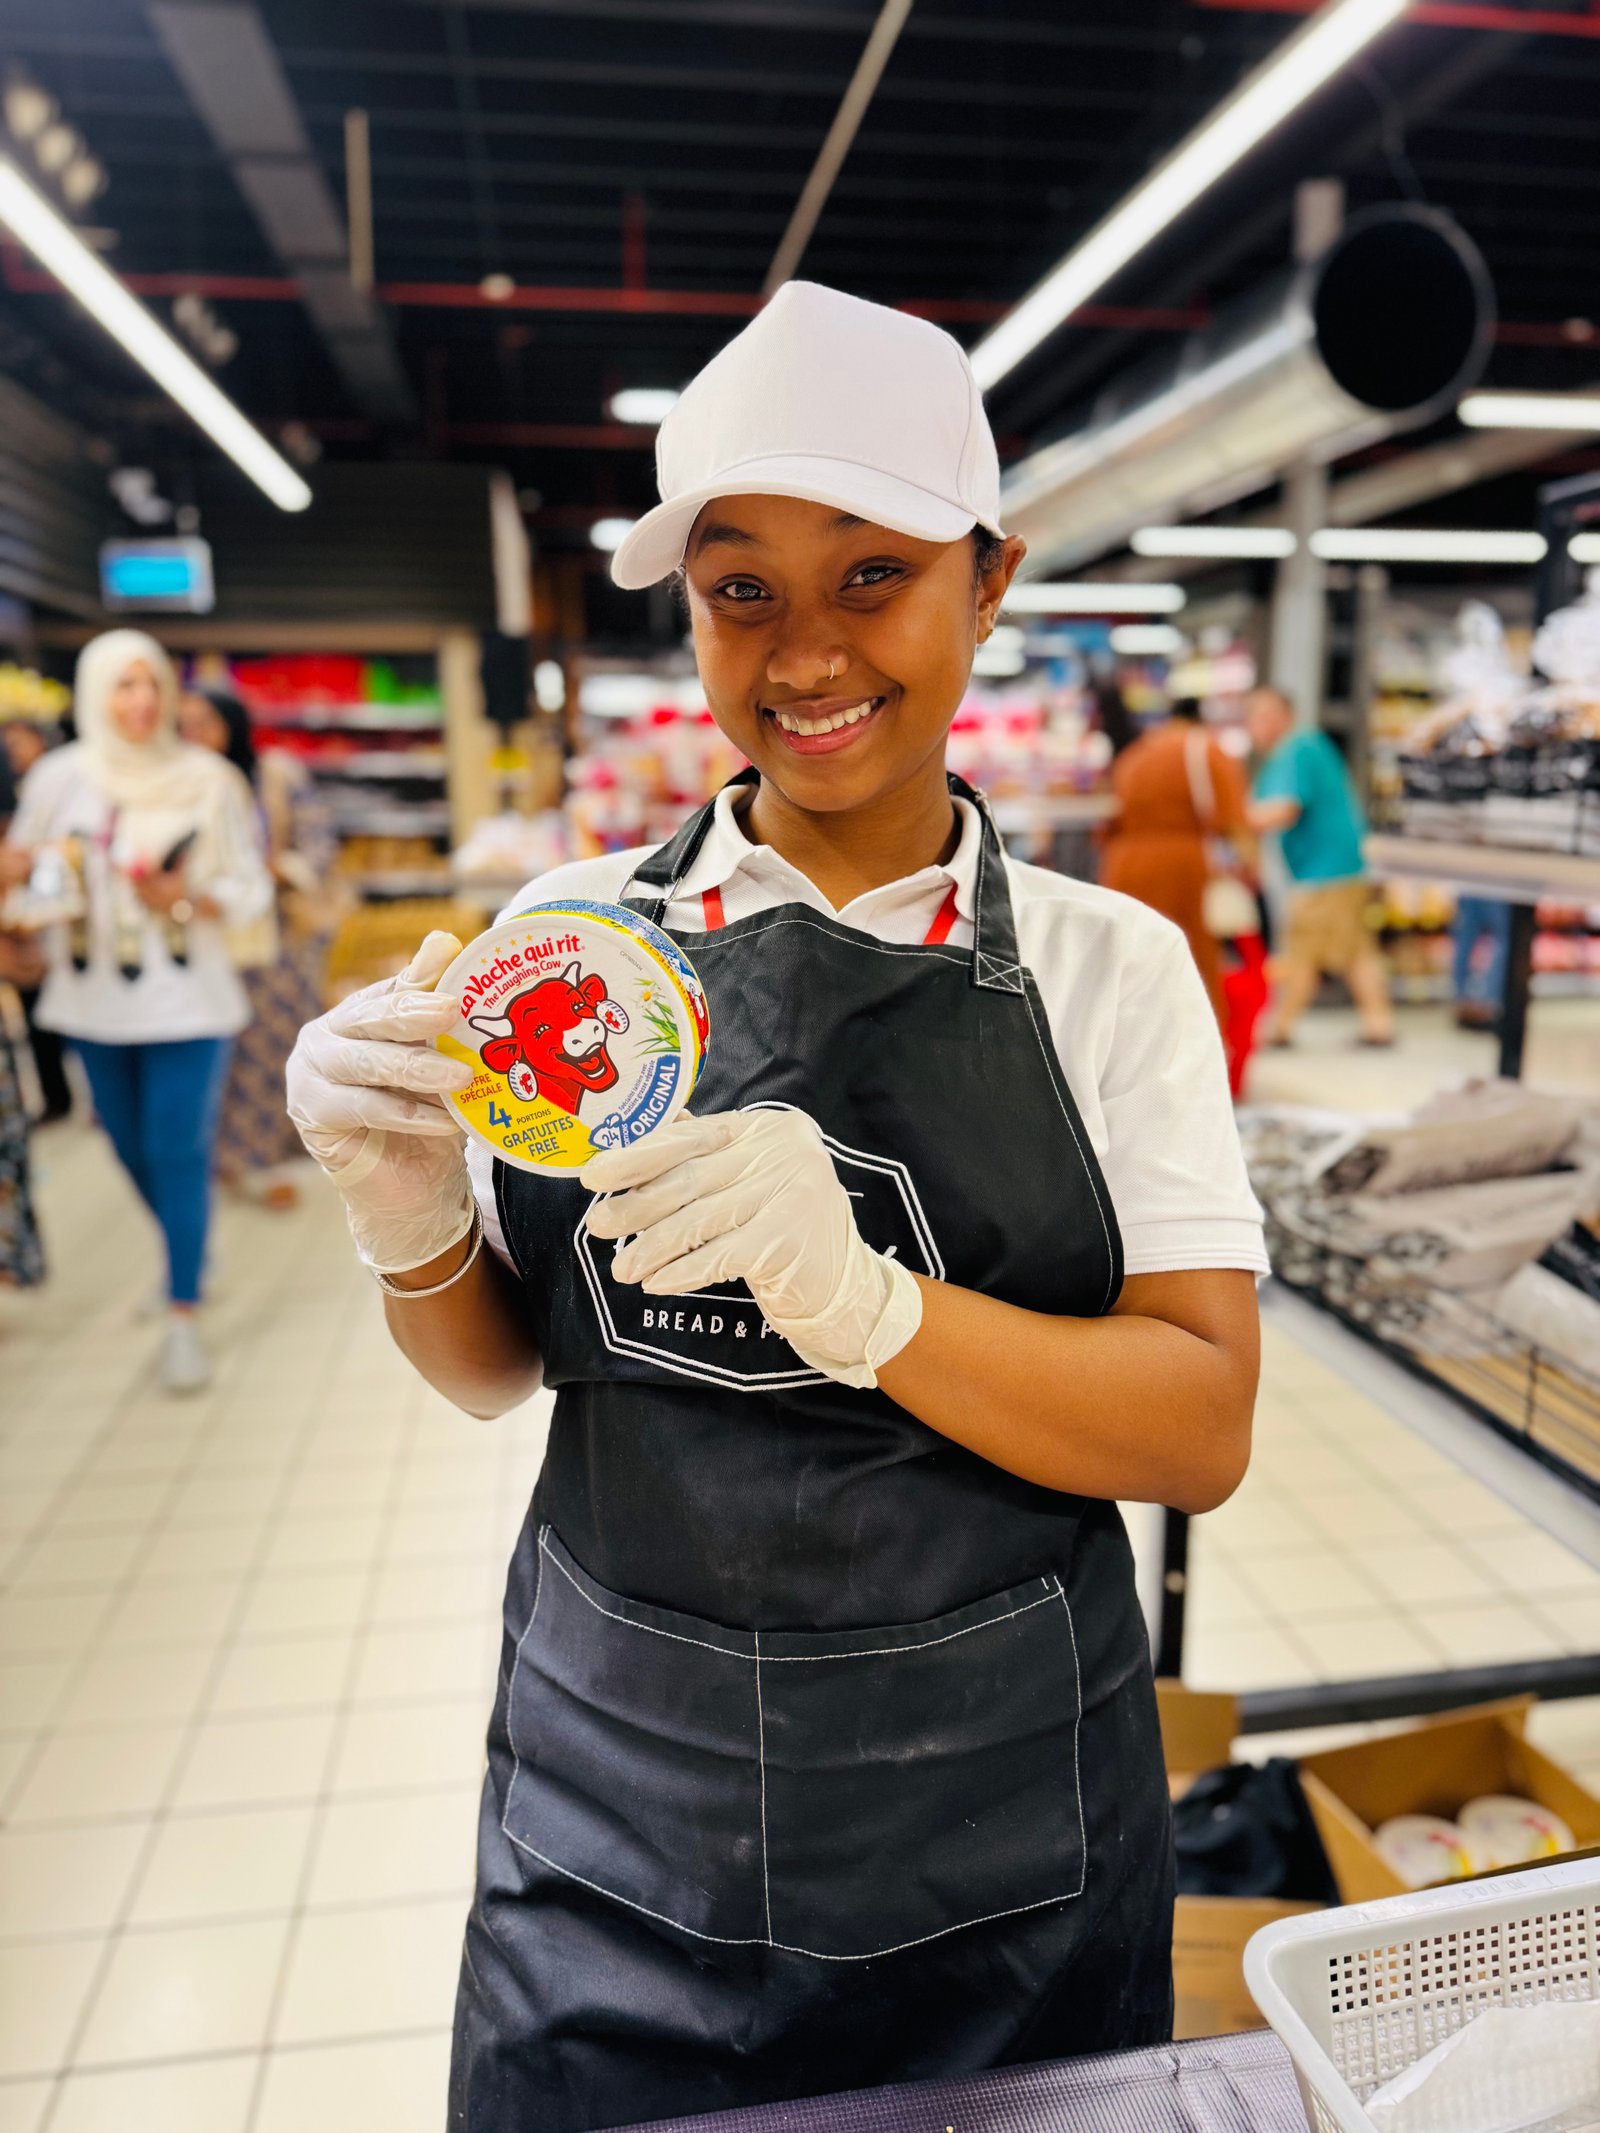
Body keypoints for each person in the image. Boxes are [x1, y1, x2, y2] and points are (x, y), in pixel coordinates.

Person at [287, 281, 1266, 2133]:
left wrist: (885, 1311)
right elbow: (499, 1367)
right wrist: (409, 1213)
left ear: (990, 580)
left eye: (874, 574)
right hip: (612, 1811)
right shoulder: (573, 946)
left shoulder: (1109, 968)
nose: (805, 653)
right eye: (743, 588)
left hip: (997, 1828)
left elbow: (1201, 1424)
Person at [1, 631, 272, 1391]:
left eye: (150, 683)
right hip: (90, 1002)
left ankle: (184, 1309)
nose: (141, 701)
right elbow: (26, 875)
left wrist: (183, 895)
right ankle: (189, 1247)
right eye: (122, 686)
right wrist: (32, 900)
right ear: (94, 694)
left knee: (179, 1149)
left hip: (189, 1002)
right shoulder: (59, 778)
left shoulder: (208, 779)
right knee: (127, 1147)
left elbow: (249, 886)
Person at [179, 684, 336, 1210]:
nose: (194, 735)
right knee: (218, 1056)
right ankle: (226, 1157)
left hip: (277, 941)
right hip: (202, 940)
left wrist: (278, 871)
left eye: (205, 722)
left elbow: (317, 842)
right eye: (185, 725)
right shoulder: (179, 785)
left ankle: (271, 1165)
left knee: (273, 1053)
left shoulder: (276, 775)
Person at [1245, 685, 1394, 1048]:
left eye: (1265, 716)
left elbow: (1281, 810)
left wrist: (1228, 819)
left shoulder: (1295, 750)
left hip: (1324, 873)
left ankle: (1278, 1028)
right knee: (1356, 950)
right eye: (1253, 716)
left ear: (1285, 717)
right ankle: (1379, 1025)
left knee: (1301, 950)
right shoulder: (1302, 749)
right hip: (1342, 867)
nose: (1257, 725)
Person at [1099, 695, 1252, 1020]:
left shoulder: (1135, 754)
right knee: (1193, 960)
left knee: (1131, 961)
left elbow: (1111, 816)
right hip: (1182, 864)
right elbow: (1235, 822)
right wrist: (1252, 869)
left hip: (1124, 862)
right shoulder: (1205, 750)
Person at [1, 716, 73, 1122]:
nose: (15, 752)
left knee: (43, 1013)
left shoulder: (52, 787)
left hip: (44, 920)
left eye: (21, 742)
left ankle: (59, 1094)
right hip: (22, 920)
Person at [1451, 894, 1513, 1032]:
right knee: (1502, 934)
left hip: (1469, 880)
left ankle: (1463, 1002)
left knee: (1466, 933)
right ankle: (1488, 1005)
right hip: (1496, 884)